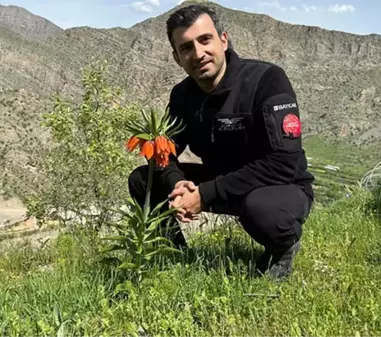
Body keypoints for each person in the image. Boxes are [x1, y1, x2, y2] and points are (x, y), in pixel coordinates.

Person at [127, 4, 315, 279]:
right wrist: (177, 183)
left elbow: (283, 163)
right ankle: (173, 254)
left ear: (223, 40)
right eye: (187, 47)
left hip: (279, 186)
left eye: (205, 40)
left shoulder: (267, 80)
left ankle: (283, 246)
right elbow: (162, 152)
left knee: (261, 207)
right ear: (177, 57)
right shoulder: (181, 95)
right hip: (224, 182)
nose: (198, 53)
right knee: (143, 179)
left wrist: (205, 195)